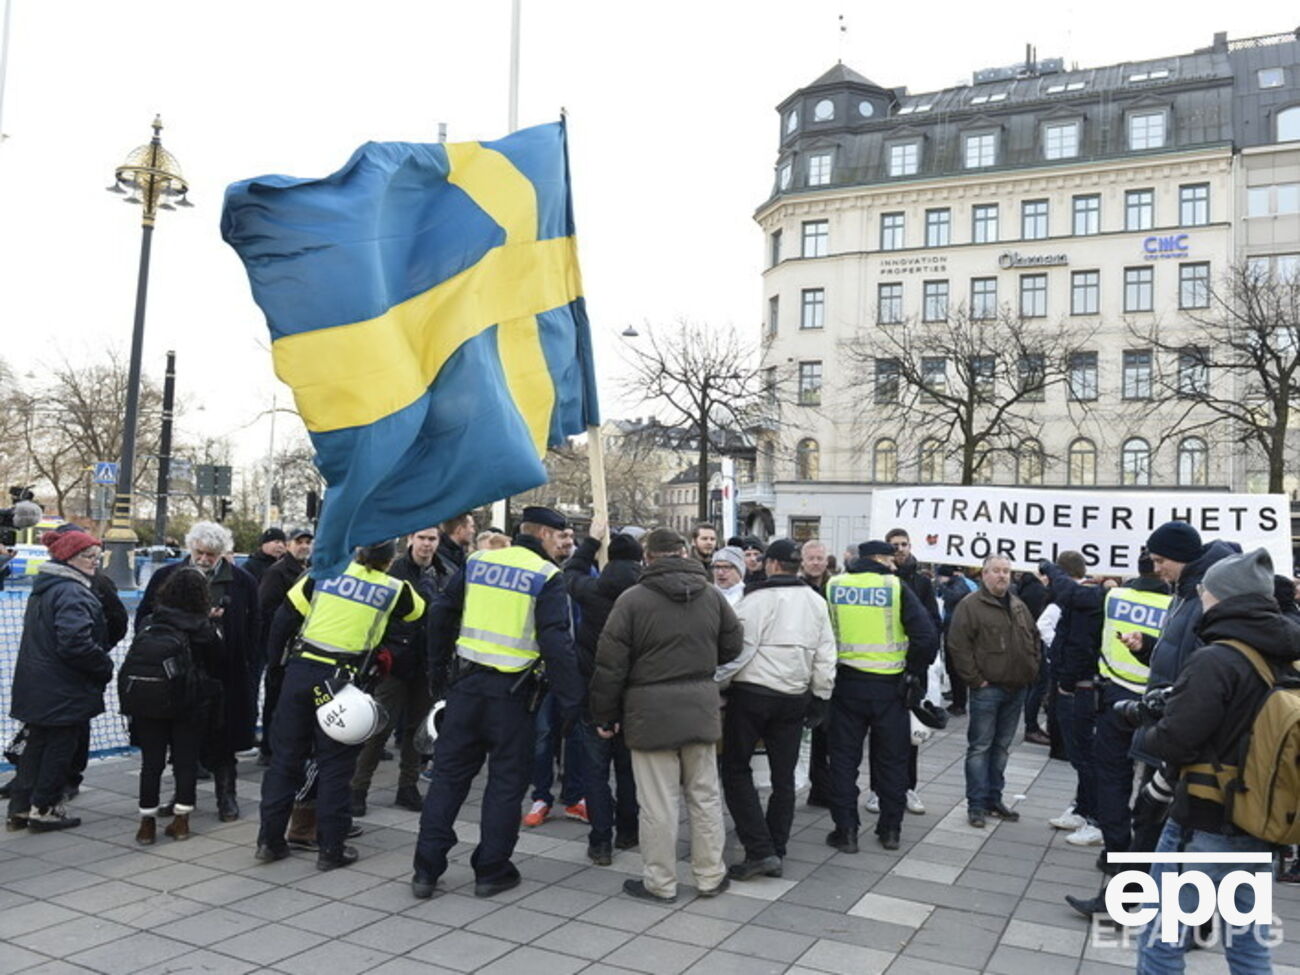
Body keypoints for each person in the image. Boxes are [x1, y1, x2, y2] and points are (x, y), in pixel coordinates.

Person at [1135, 547, 1299, 973]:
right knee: (1248, 942)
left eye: (1206, 591)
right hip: (1260, 820)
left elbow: (1176, 741)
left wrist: (1148, 728)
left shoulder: (1217, 658)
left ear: (1224, 598)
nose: (1201, 597)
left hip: (1204, 821)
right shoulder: (1287, 654)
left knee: (1162, 937)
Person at [412, 506, 583, 899]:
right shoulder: (546, 576)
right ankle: (491, 871)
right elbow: (557, 642)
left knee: (448, 780)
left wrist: (437, 672)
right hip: (513, 697)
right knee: (505, 786)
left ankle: (426, 869)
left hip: (465, 688)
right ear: (541, 534)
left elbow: (441, 613)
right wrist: (573, 704)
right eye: (559, 536)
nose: (563, 543)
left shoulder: (478, 561)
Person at [590, 527, 742, 902]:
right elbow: (733, 644)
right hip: (700, 708)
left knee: (658, 804)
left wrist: (604, 715)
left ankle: (660, 882)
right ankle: (709, 876)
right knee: (705, 797)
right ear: (684, 552)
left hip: (649, 713)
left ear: (649, 557)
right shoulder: (711, 595)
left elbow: (610, 666)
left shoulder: (632, 600)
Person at [257, 540, 424, 870]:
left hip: (302, 676)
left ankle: (269, 841)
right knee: (335, 763)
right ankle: (330, 849)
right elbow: (418, 613)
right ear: (390, 561)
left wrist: (276, 668)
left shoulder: (322, 574)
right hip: (337, 685)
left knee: (285, 760)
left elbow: (283, 619)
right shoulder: (395, 588)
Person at [716, 538, 835, 880]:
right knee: (784, 777)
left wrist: (714, 682)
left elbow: (738, 651)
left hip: (753, 695)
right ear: (798, 565)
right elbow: (826, 653)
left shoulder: (756, 601)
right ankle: (776, 846)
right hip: (794, 697)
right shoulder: (815, 601)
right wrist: (821, 696)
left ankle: (760, 848)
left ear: (770, 565)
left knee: (736, 769)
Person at [138, 522, 260, 822]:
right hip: (179, 672)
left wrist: (248, 664)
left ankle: (226, 797)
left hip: (224, 673)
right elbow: (145, 620)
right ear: (190, 547)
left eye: (212, 555)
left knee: (224, 739)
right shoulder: (166, 577)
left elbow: (255, 627)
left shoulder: (242, 581)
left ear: (223, 554)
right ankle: (182, 797)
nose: (205, 559)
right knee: (182, 742)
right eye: (200, 552)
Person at [824, 540, 938, 853]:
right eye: (890, 558)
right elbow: (927, 637)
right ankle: (890, 831)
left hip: (845, 684)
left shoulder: (834, 585)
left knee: (844, 761)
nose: (895, 563)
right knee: (892, 762)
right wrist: (912, 671)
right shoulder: (895, 587)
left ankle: (845, 831)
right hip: (890, 688)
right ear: (877, 559)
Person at [5, 529, 110, 832]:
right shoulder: (72, 591)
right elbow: (75, 642)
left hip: (38, 684)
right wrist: (102, 664)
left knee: (35, 746)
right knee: (59, 747)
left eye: (96, 556)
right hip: (63, 687)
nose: (95, 562)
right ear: (70, 559)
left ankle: (20, 809)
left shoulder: (46, 588)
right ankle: (45, 809)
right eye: (89, 557)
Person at [564, 517, 643, 865]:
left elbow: (570, 573)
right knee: (628, 771)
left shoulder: (593, 591)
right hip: (634, 699)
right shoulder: (646, 597)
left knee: (595, 773)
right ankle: (629, 831)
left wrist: (591, 543)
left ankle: (600, 842)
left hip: (593, 696)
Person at [349, 528, 440, 816]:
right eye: (422, 538)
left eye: (432, 539)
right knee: (379, 727)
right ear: (411, 539)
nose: (427, 544)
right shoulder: (394, 571)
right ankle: (358, 787)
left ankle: (408, 786)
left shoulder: (444, 571)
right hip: (394, 662)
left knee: (418, 729)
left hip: (426, 662)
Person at [946, 554, 1040, 828]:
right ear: (984, 574)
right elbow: (958, 645)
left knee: (1001, 748)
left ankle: (993, 799)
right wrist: (975, 680)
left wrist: (1031, 668)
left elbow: (1033, 637)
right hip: (988, 689)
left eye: (1006, 571)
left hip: (1016, 688)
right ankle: (976, 804)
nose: (1002, 576)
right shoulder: (971, 606)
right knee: (981, 747)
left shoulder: (1018, 604)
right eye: (996, 571)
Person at [131, 567, 222, 844]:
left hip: (149, 701)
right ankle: (181, 821)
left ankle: (146, 823)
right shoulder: (202, 628)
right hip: (188, 702)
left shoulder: (150, 621)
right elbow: (219, 662)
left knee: (151, 763)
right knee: (185, 762)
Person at [1039, 552, 1105, 846]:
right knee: (1080, 754)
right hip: (1078, 684)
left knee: (1085, 754)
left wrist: (1065, 681)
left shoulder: (1082, 599)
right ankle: (1083, 808)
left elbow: (1079, 645)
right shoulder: (1080, 597)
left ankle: (1095, 818)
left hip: (1081, 686)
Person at [256, 527, 313, 764]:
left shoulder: (308, 571)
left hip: (301, 645)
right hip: (281, 644)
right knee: (275, 697)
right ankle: (268, 748)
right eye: (299, 542)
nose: (304, 546)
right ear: (290, 544)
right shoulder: (278, 572)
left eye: (308, 542)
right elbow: (267, 609)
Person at [1015, 570, 1052, 746]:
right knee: (1039, 684)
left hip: (1025, 642)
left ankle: (1031, 726)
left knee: (1034, 685)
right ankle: (1031, 727)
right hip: (1036, 643)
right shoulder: (1038, 591)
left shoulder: (1024, 588)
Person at [934, 565, 976, 716]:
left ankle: (960, 703)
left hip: (957, 631)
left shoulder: (959, 584)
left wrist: (942, 586)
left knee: (956, 668)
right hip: (951, 629)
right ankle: (957, 701)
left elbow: (953, 597)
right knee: (951, 668)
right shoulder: (954, 584)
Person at [436, 512, 476, 578]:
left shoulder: (458, 556)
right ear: (459, 529)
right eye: (471, 527)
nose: (473, 531)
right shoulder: (439, 560)